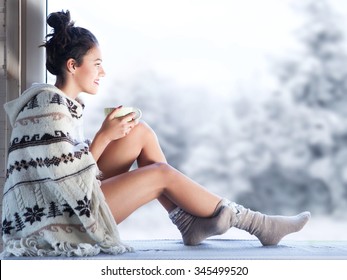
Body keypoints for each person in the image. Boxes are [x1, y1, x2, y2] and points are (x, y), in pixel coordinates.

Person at [1, 10, 310, 257]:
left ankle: (186, 222)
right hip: (57, 221)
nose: (102, 72)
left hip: (68, 200)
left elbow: (62, 166)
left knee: (139, 133)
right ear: (72, 65)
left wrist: (111, 133)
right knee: (160, 174)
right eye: (96, 64)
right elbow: (60, 183)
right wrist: (104, 137)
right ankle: (259, 224)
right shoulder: (46, 108)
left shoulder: (58, 104)